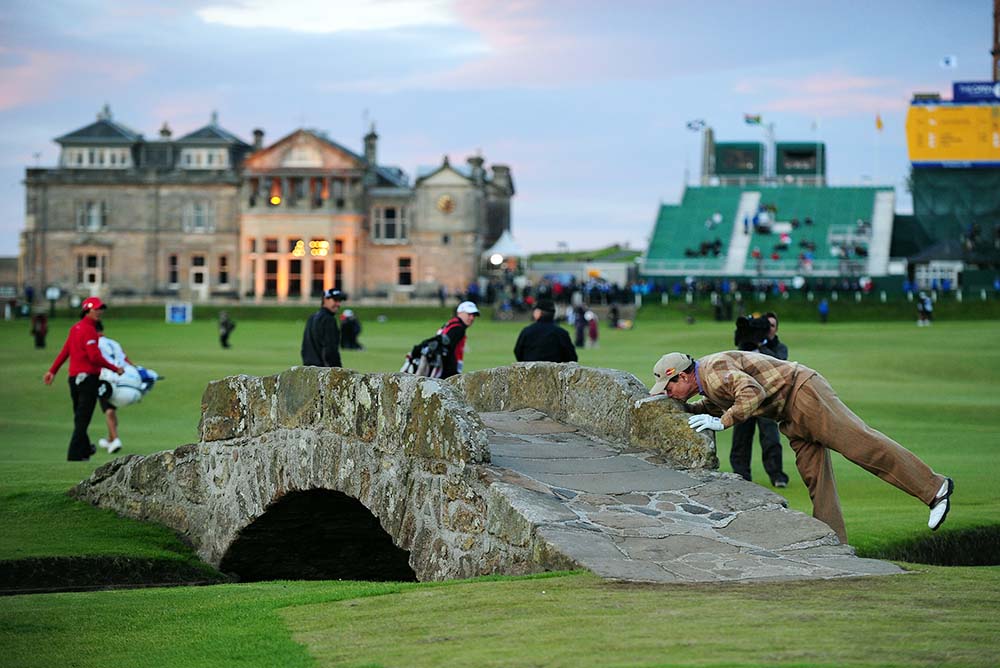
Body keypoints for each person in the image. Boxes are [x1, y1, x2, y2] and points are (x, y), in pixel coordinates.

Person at [648, 351, 953, 544]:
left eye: (670, 387)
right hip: (789, 414)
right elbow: (719, 400)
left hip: (803, 393)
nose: (670, 393)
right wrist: (689, 411)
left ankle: (934, 488)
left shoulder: (712, 372)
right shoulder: (707, 381)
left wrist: (724, 422)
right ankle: (833, 545)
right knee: (814, 478)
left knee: (861, 445)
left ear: (684, 375)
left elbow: (751, 392)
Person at [43, 297, 123, 461]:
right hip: (88, 380)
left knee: (80, 417)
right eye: (97, 309)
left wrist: (53, 371)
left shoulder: (76, 328)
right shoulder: (88, 330)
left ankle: (85, 449)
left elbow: (65, 352)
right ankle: (74, 454)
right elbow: (94, 357)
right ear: (87, 310)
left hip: (73, 379)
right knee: (83, 418)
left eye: (101, 309)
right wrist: (115, 368)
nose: (100, 312)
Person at [730, 312, 790, 488]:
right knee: (741, 438)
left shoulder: (779, 347)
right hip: (746, 398)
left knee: (770, 438)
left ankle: (777, 475)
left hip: (767, 400)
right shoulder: (745, 346)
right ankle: (741, 475)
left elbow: (778, 363)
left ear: (776, 329)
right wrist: (748, 342)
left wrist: (761, 345)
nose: (769, 329)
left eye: (772, 326)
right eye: (766, 326)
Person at [95, 321, 130, 454]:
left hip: (105, 379)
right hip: (119, 378)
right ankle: (111, 438)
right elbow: (125, 359)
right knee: (111, 409)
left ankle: (115, 440)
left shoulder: (94, 344)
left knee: (108, 410)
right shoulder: (113, 343)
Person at [513, 299, 578, 363]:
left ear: (538, 313)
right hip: (555, 372)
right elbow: (572, 357)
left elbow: (518, 352)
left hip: (531, 371)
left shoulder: (527, 331)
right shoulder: (561, 333)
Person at [301, 289, 346, 367]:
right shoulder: (329, 319)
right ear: (325, 300)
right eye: (335, 300)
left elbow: (305, 347)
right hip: (324, 369)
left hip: (309, 369)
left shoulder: (312, 317)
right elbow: (330, 348)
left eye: (340, 301)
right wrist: (337, 369)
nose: (338, 304)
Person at [438, 301, 479, 378]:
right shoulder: (458, 329)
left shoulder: (450, 324)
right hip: (446, 372)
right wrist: (453, 374)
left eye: (474, 315)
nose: (472, 318)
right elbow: (447, 351)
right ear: (460, 313)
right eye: (469, 314)